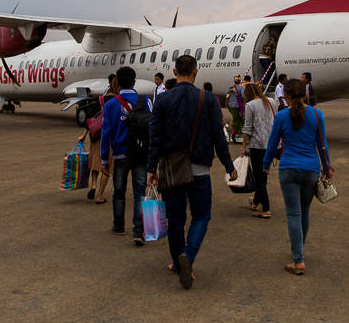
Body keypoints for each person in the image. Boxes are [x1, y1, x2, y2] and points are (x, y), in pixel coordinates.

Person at [147, 55, 237, 290]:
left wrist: (150, 168)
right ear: (196, 73)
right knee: (201, 216)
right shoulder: (207, 99)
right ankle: (188, 254)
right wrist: (229, 165)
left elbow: (154, 139)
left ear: (175, 71)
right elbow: (219, 135)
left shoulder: (162, 101)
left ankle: (178, 264)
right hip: (199, 170)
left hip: (172, 169)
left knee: (175, 220)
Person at [263, 79, 333, 276]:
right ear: (304, 94)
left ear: (285, 95)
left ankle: (298, 258)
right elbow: (322, 144)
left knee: (293, 213)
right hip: (311, 169)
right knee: (304, 211)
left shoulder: (282, 116)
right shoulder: (317, 114)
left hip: (289, 169)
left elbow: (273, 143)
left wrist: (265, 165)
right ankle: (298, 250)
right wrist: (327, 165)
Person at [100, 66, 149, 245]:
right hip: (141, 155)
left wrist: (104, 159)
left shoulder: (111, 104)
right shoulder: (145, 101)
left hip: (120, 155)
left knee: (119, 192)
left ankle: (119, 225)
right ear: (134, 81)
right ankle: (138, 230)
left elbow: (106, 133)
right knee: (139, 193)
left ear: (117, 83)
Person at [241, 82, 276, 219]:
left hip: (257, 145)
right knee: (263, 175)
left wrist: (244, 146)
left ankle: (266, 207)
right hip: (271, 144)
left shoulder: (250, 105)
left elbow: (247, 128)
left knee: (258, 178)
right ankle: (255, 202)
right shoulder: (271, 101)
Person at [226, 75, 245, 142]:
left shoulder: (231, 88)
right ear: (239, 81)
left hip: (231, 106)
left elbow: (227, 96)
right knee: (239, 119)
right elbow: (243, 96)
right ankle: (235, 133)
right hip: (237, 106)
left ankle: (236, 131)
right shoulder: (241, 88)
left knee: (236, 118)